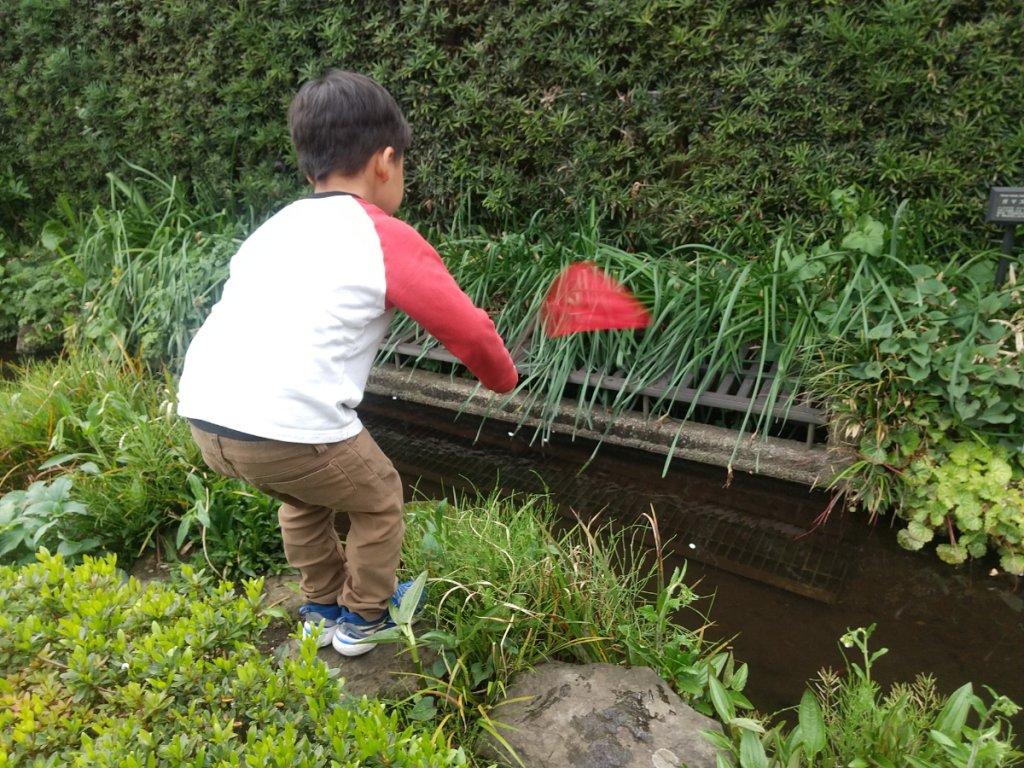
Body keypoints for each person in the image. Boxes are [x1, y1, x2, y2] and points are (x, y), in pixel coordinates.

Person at [176, 69, 518, 657]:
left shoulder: (274, 228)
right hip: (287, 428)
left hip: (207, 419)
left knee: (303, 496)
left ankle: (320, 605)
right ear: (386, 162)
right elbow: (468, 330)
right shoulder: (384, 237)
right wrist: (502, 378)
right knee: (379, 495)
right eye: (403, 166)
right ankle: (365, 618)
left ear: (311, 168)